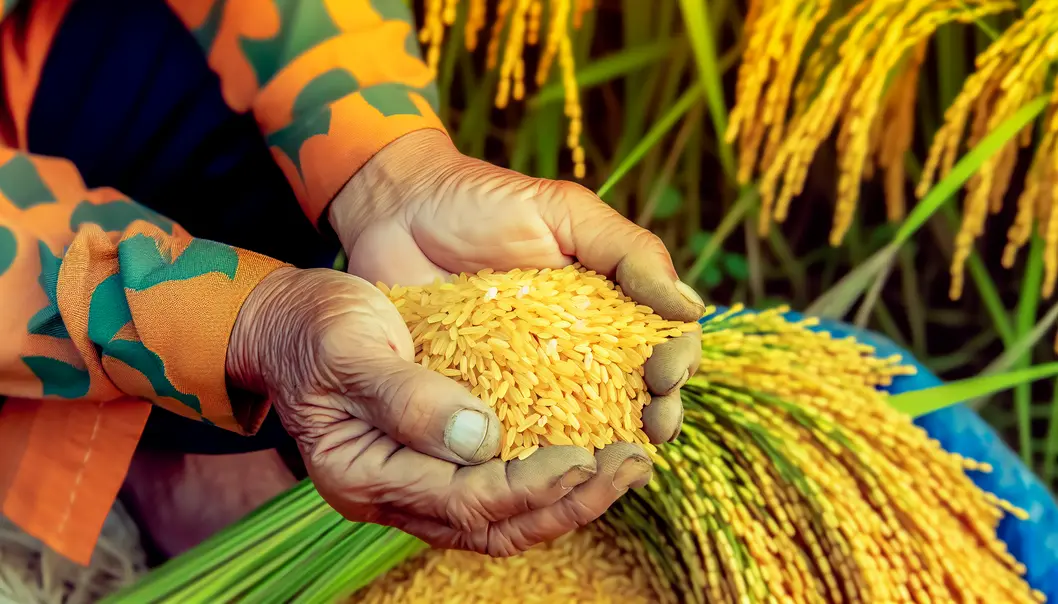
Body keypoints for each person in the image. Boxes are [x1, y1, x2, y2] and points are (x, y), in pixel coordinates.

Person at [0, 0, 706, 565]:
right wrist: (244, 321)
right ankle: (143, 446)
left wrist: (389, 166)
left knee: (236, 104)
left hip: (50, 58)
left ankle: (184, 420)